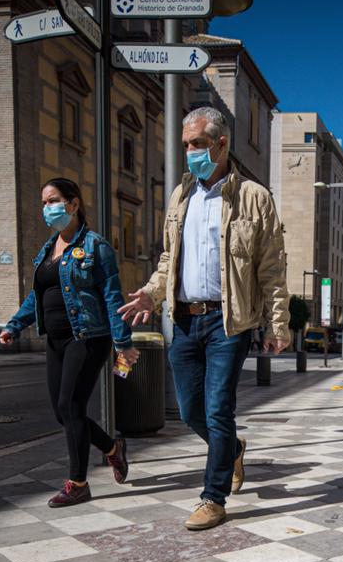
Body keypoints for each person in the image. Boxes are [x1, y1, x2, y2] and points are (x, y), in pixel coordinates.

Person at [118, 105, 290, 531]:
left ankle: (213, 497)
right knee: (191, 410)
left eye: (197, 144)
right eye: (186, 145)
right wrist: (151, 293)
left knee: (217, 410)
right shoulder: (181, 197)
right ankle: (232, 450)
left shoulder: (255, 198)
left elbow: (272, 268)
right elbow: (167, 260)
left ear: (221, 143)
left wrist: (277, 324)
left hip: (229, 322)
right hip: (184, 320)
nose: (190, 152)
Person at [1, 177, 137, 507]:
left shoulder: (95, 246)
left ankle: (78, 483)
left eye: (54, 201)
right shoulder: (47, 250)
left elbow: (111, 296)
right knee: (63, 413)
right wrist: (15, 325)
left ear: (73, 204)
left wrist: (122, 342)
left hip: (87, 337)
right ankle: (112, 448)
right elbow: (38, 296)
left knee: (70, 406)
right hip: (56, 340)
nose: (48, 208)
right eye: (44, 203)